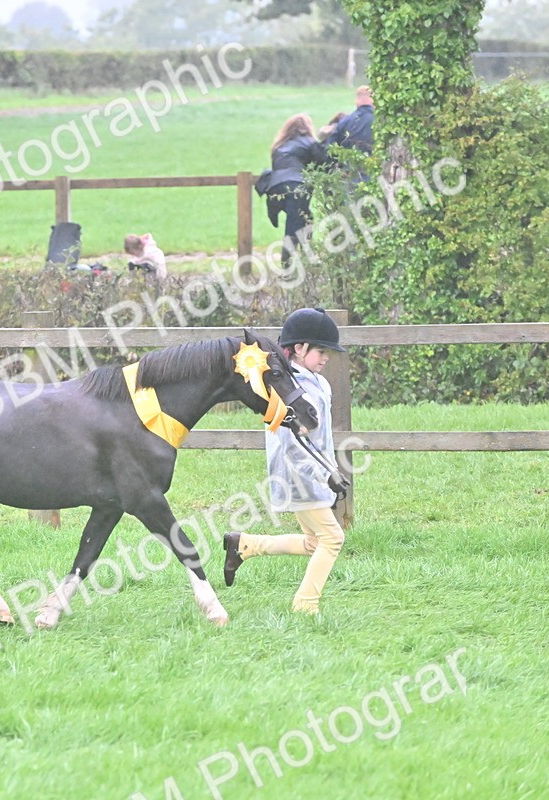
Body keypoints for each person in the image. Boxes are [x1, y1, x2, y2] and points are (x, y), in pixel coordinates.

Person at [223, 307, 348, 615]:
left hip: (315, 474)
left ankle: (245, 545)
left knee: (312, 542)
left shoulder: (319, 382)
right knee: (332, 539)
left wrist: (330, 469)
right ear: (299, 349)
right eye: (320, 351)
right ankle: (306, 605)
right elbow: (292, 446)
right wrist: (323, 475)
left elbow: (320, 439)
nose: (326, 357)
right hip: (299, 477)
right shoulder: (288, 390)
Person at [263, 114, 329, 266]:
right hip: (297, 186)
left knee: (306, 218)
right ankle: (287, 263)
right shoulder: (310, 142)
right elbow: (323, 162)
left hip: (275, 186)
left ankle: (307, 256)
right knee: (294, 224)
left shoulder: (279, 145)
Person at [327, 85, 374, 156]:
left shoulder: (344, 122)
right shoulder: (381, 121)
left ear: (357, 102)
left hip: (349, 165)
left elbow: (329, 149)